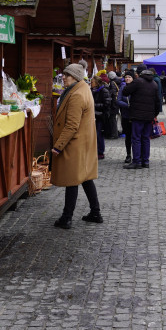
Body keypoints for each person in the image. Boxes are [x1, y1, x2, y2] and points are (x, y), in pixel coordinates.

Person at [50, 64, 102, 228]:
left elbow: (72, 125)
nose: (63, 77)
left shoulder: (76, 95)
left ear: (76, 77)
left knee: (72, 179)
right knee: (85, 178)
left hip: (75, 144)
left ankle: (67, 218)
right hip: (83, 143)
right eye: (64, 74)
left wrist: (58, 146)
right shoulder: (83, 89)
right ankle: (95, 213)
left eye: (67, 75)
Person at [122, 65, 162, 169]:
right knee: (146, 138)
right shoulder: (154, 84)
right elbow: (158, 101)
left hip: (137, 116)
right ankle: (146, 161)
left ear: (139, 73)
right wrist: (154, 114)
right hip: (149, 116)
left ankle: (137, 161)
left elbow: (125, 92)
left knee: (136, 138)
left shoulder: (137, 82)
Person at [115, 71, 134, 163]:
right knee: (128, 136)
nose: (127, 78)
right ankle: (128, 155)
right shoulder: (122, 88)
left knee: (136, 137)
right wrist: (128, 105)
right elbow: (118, 101)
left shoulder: (135, 87)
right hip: (126, 115)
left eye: (129, 77)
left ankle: (137, 155)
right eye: (126, 77)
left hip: (135, 115)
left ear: (133, 78)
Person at [91, 75, 110, 160]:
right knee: (94, 134)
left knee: (99, 134)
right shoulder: (91, 90)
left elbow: (107, 104)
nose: (90, 83)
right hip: (93, 115)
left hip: (101, 115)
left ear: (96, 83)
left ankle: (100, 152)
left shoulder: (104, 91)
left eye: (92, 82)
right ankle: (94, 151)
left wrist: (94, 105)